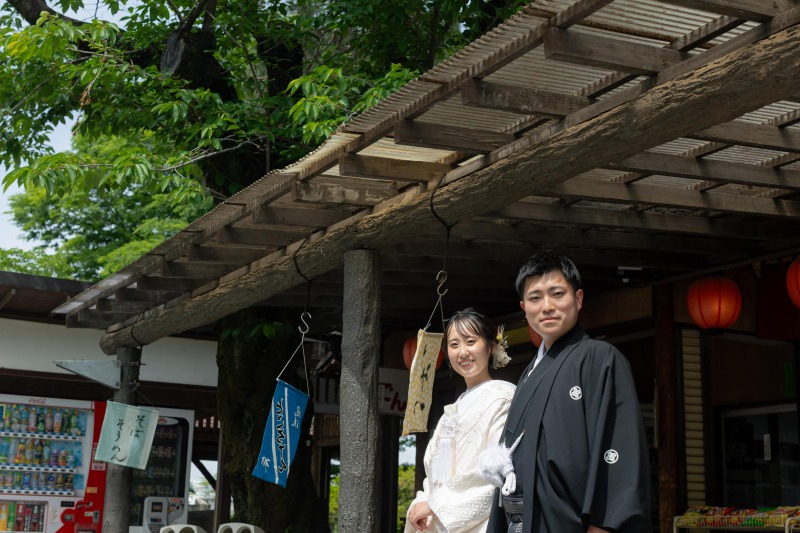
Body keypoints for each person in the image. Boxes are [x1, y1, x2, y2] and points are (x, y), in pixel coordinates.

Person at [487, 250, 651, 533]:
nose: (547, 306)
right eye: (535, 298)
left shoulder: (600, 358)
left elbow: (621, 450)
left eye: (557, 294)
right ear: (524, 307)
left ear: (578, 299)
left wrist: (604, 526)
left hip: (570, 522)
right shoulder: (529, 373)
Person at [405, 308, 517, 533]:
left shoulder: (502, 397)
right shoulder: (455, 407)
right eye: (454, 345)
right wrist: (423, 501)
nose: (463, 352)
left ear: (491, 346)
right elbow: (439, 474)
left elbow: (495, 473)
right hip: (438, 522)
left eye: (470, 341)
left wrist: (435, 506)